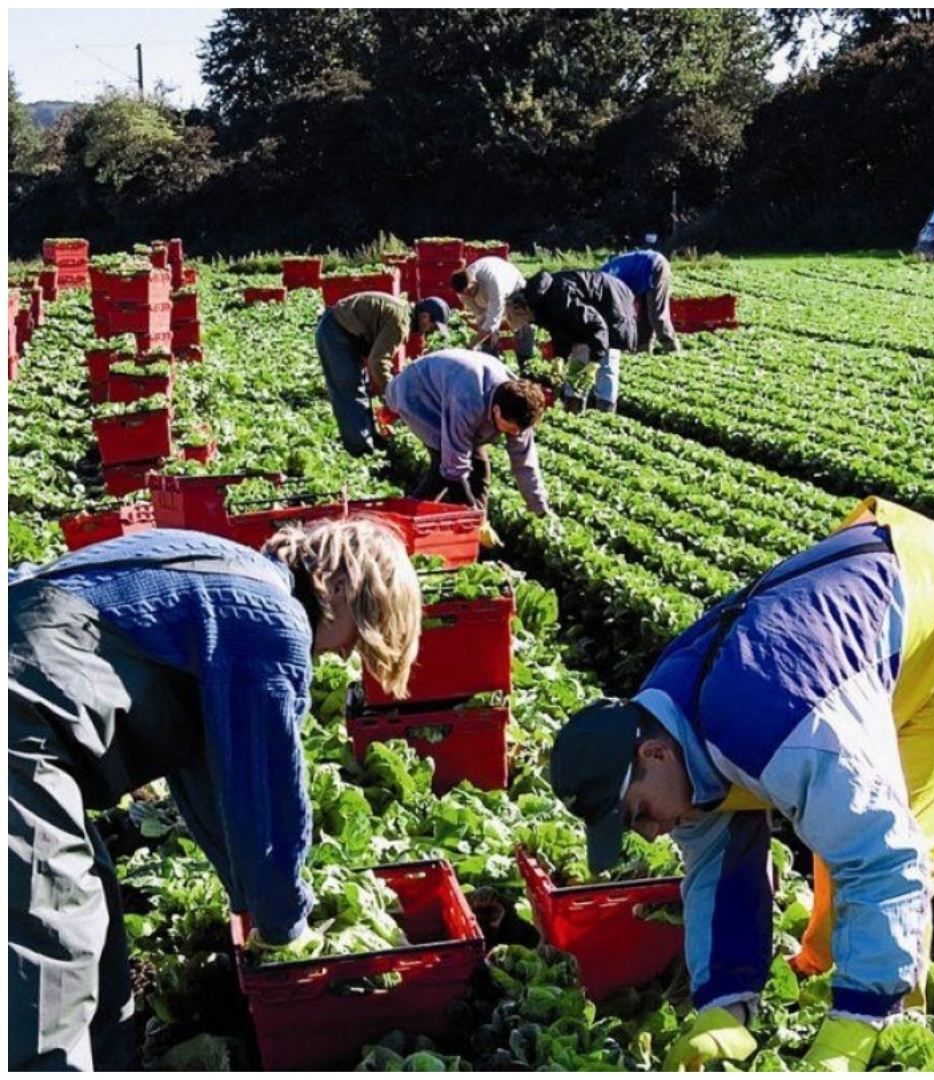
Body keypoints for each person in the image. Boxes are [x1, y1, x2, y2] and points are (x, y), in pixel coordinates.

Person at [548, 497, 934, 1072]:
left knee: (895, 846)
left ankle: (888, 1019)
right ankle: (828, 974)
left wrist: (854, 1029)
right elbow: (717, 867)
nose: (651, 832)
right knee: (839, 829)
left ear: (653, 754)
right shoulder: (669, 735)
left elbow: (886, 860)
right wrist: (724, 1007)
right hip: (850, 611)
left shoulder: (782, 726)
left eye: (638, 814)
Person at [8, 520, 422, 1070]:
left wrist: (248, 902)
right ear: (342, 587)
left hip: (30, 714)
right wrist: (285, 927)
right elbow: (264, 792)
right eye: (361, 629)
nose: (347, 653)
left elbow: (208, 781)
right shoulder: (270, 621)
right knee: (51, 950)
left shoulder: (231, 577)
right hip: (20, 725)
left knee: (92, 915)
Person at [382, 348, 551, 515]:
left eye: (520, 430)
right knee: (443, 464)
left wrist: (540, 509)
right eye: (512, 428)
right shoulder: (469, 400)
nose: (515, 434)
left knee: (479, 469)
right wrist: (469, 512)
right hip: (416, 392)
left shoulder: (521, 408)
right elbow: (453, 467)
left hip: (451, 386)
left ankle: (475, 524)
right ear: (497, 411)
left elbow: (525, 463)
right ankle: (405, 517)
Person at [317, 292, 451, 455]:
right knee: (350, 391)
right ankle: (361, 450)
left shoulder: (402, 313)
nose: (431, 331)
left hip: (345, 332)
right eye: (433, 326)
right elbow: (378, 361)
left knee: (362, 386)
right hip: (335, 333)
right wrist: (391, 394)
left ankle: (369, 437)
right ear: (424, 317)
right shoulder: (400, 321)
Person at [505, 269, 638, 413]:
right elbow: (561, 329)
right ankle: (574, 411)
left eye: (515, 318)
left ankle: (605, 413)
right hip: (590, 316)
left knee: (606, 364)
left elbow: (597, 325)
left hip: (611, 302)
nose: (524, 325)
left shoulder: (559, 298)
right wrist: (560, 356)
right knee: (578, 365)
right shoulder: (539, 305)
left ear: (523, 310)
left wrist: (595, 361)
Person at [600, 234, 680, 356]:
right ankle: (643, 350)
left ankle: (672, 349)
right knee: (643, 315)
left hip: (653, 265)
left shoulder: (604, 282)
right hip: (640, 273)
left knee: (656, 314)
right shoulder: (601, 280)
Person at [452, 256, 535, 362]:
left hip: (512, 285)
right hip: (487, 294)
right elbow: (481, 316)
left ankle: (526, 360)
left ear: (474, 281)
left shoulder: (492, 282)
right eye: (465, 293)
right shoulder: (463, 294)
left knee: (519, 321)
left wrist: (471, 345)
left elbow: (493, 320)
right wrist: (481, 339)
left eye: (470, 290)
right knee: (485, 327)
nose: (469, 294)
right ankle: (491, 358)